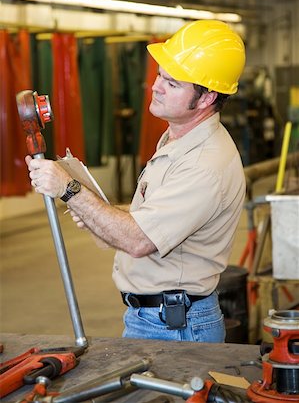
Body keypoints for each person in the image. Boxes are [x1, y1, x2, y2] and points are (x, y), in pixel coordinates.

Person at [26, 20, 246, 343]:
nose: (155, 86)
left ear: (206, 98)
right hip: (155, 318)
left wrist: (69, 189)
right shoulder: (176, 139)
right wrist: (94, 212)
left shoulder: (204, 165)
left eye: (171, 84)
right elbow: (148, 220)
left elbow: (139, 240)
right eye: (159, 74)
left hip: (177, 327)